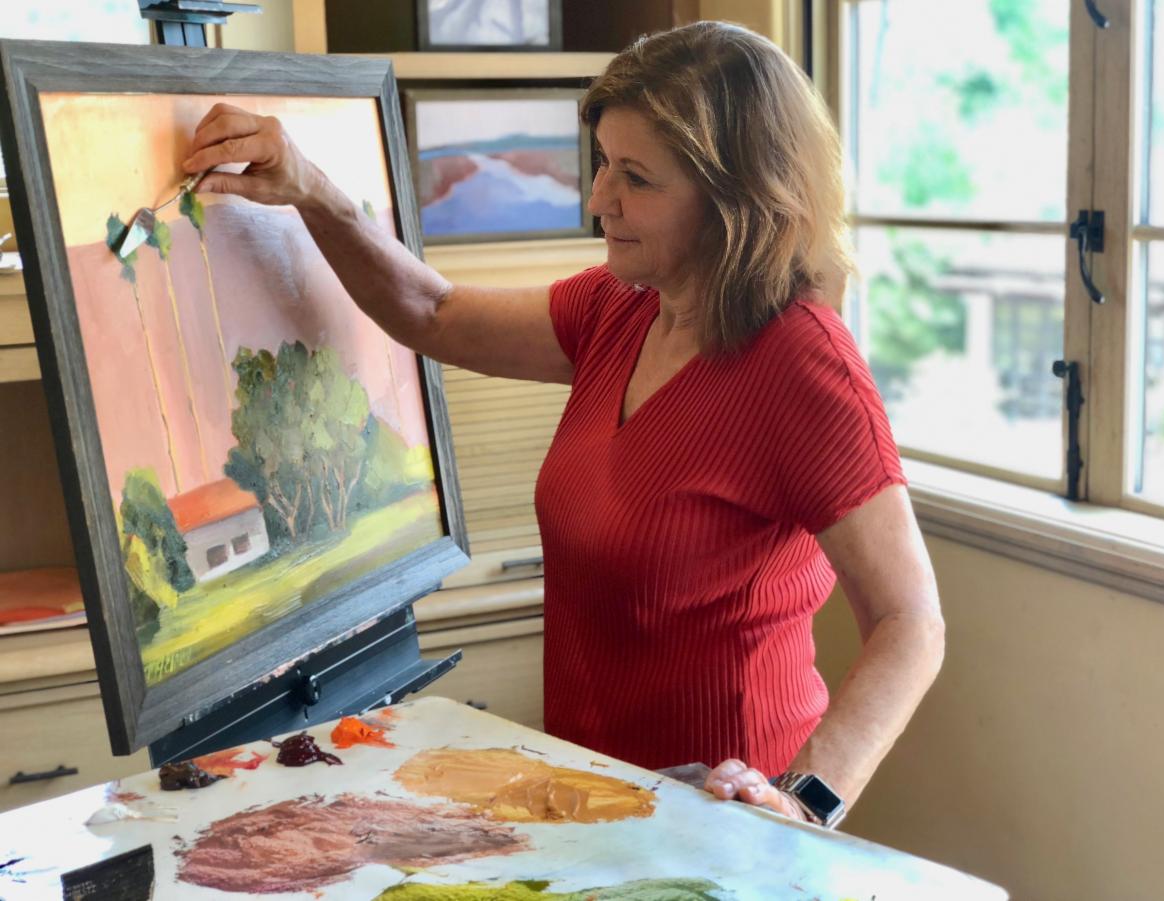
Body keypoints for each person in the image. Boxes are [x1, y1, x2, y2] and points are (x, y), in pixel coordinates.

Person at [183, 21, 944, 826]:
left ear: (735, 199)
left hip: (734, 817)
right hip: (592, 795)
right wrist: (310, 189)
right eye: (604, 164)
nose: (597, 199)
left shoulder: (802, 361)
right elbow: (431, 311)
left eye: (637, 178)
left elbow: (910, 621)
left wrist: (806, 801)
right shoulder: (619, 308)